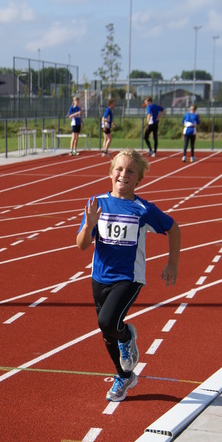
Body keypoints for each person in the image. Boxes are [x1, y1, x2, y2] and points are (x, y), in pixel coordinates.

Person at [76, 148, 180, 402]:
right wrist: (89, 226)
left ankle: (128, 335)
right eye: (119, 169)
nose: (124, 174)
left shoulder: (143, 209)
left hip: (129, 277)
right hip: (99, 277)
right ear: (111, 173)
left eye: (130, 171)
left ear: (138, 178)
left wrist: (172, 263)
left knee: (108, 323)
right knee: (106, 331)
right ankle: (124, 376)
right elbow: (81, 245)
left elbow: (174, 228)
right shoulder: (97, 203)